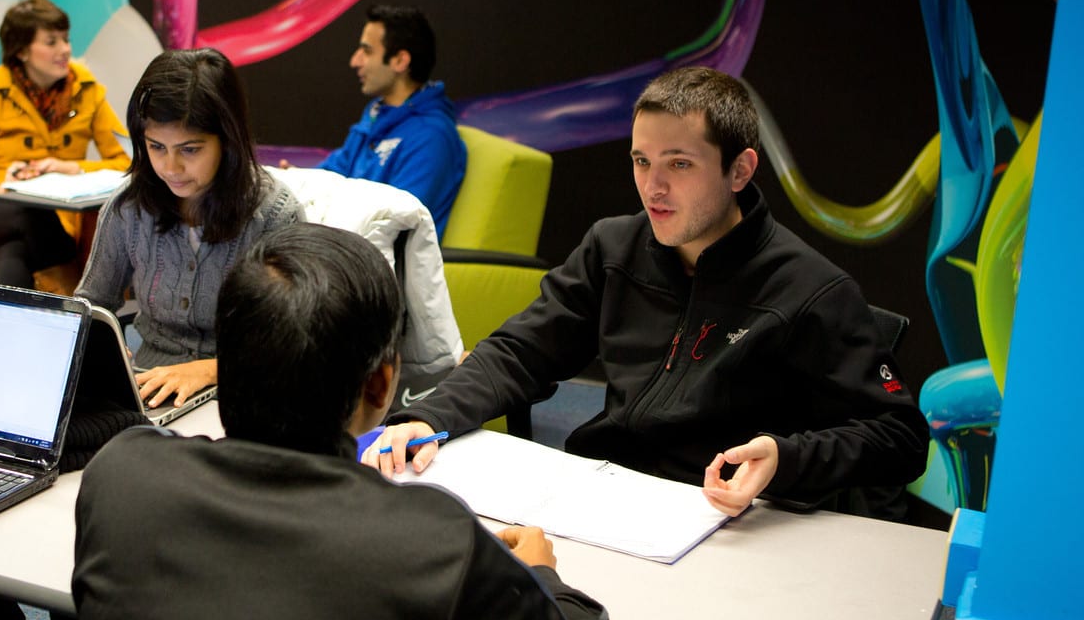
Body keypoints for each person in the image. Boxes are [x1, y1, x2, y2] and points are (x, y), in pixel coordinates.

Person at [69, 224, 641, 620]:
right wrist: (546, 584)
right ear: (382, 384)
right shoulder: (428, 541)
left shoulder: (123, 474)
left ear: (224, 363)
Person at [367, 66, 930, 520]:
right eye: (641, 161)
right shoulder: (614, 247)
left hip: (719, 520)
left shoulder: (812, 290)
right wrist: (429, 416)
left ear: (740, 170)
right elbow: (523, 350)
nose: (653, 188)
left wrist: (787, 458)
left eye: (679, 164)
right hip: (601, 496)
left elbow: (900, 437)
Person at [75, 47, 302, 411]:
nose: (170, 167)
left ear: (227, 142)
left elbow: (293, 341)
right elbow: (91, 306)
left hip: (245, 392)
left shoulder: (275, 214)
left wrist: (211, 370)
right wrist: (102, 353)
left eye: (190, 149)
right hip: (146, 389)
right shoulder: (128, 207)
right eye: (156, 147)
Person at [0, 0, 131, 288]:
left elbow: (129, 161)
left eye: (66, 40)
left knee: (14, 253)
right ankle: (78, 294)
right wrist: (2, 186)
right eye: (51, 42)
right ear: (22, 51)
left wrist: (71, 168)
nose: (65, 50)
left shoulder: (87, 91)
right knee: (27, 208)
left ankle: (12, 330)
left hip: (49, 222)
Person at [316, 4, 466, 235]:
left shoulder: (432, 137)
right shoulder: (375, 116)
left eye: (366, 51)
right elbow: (330, 175)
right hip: (341, 250)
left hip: (378, 265)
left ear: (399, 61)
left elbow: (394, 225)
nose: (355, 61)